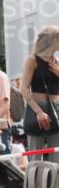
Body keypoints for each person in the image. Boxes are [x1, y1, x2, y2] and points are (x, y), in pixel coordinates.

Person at [20, 25, 59, 163]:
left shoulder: (56, 63)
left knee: (57, 155)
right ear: (53, 39)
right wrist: (38, 112)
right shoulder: (33, 60)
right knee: (36, 156)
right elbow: (24, 89)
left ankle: (55, 184)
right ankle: (34, 185)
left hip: (56, 108)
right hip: (37, 109)